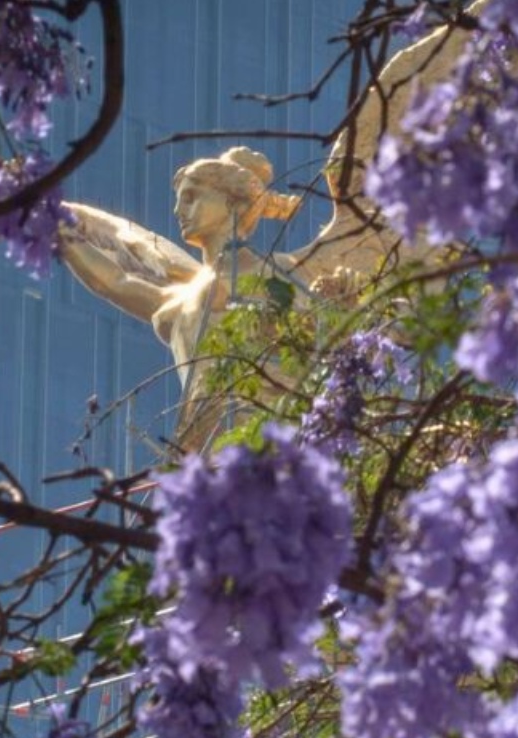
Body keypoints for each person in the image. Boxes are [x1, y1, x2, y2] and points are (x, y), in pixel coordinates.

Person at [55, 10, 482, 449]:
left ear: (233, 199)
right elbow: (117, 278)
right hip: (205, 450)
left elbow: (328, 345)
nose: (179, 210)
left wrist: (344, 303)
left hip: (276, 449)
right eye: (180, 199)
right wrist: (58, 227)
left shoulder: (288, 273)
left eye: (193, 196)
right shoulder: (180, 295)